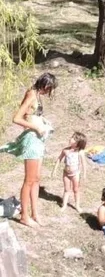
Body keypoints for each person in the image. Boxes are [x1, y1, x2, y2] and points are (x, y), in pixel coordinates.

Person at [1, 73, 57, 228]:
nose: (50, 92)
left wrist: (42, 122)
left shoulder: (36, 94)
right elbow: (17, 118)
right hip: (32, 140)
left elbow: (30, 116)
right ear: (46, 85)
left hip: (39, 141)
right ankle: (24, 216)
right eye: (50, 88)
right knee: (29, 180)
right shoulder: (32, 94)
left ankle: (35, 213)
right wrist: (36, 127)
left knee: (37, 179)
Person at [54, 132, 88, 213]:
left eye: (74, 138)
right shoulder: (65, 150)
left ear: (78, 143)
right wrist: (54, 169)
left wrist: (84, 174)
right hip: (66, 173)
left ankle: (77, 205)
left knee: (76, 190)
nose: (71, 139)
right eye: (72, 137)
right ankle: (64, 205)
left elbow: (84, 163)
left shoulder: (80, 152)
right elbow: (59, 159)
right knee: (66, 190)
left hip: (75, 174)